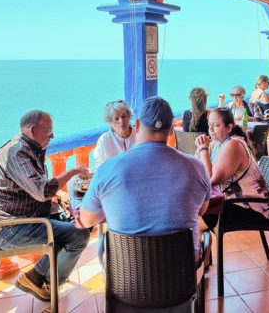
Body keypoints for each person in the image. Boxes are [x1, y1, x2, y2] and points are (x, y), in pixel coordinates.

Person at [75, 97, 212, 259]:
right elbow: (202, 209)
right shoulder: (197, 168)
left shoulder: (107, 170)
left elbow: (87, 220)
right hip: (181, 267)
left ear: (138, 125)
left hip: (126, 269)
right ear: (171, 129)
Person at [0, 110, 91, 301]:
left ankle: (35, 276)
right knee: (79, 235)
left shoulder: (30, 148)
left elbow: (32, 185)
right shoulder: (17, 153)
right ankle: (49, 284)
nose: (53, 136)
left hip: (28, 219)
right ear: (33, 130)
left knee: (78, 220)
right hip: (11, 229)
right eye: (49, 131)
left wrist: (57, 194)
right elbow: (42, 192)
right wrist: (73, 171)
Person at [195, 108, 269, 229]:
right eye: (209, 124)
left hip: (251, 209)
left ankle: (196, 239)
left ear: (229, 128)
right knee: (192, 206)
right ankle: (198, 239)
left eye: (216, 125)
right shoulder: (217, 143)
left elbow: (210, 179)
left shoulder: (233, 145)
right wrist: (200, 150)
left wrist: (203, 149)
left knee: (193, 212)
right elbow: (197, 169)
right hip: (231, 200)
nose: (211, 129)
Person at [90, 100, 137, 171]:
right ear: (110, 122)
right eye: (116, 118)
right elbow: (100, 168)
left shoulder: (139, 134)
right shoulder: (105, 140)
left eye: (124, 116)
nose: (121, 121)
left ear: (129, 117)